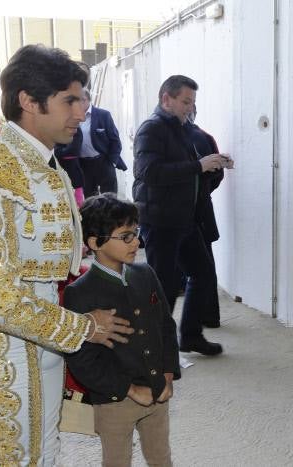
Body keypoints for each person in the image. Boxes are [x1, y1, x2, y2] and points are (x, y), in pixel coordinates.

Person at [0, 44, 133, 466]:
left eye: (84, 100)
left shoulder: (47, 166)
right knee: (25, 459)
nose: (81, 113)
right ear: (28, 101)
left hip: (46, 339)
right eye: (70, 100)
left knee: (44, 453)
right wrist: (83, 329)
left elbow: (56, 261)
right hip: (5, 347)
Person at [64, 193, 180, 467]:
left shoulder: (146, 274)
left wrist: (167, 375)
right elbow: (82, 360)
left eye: (136, 233)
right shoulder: (78, 294)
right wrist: (128, 389)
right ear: (95, 242)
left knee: (162, 458)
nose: (137, 242)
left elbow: (165, 326)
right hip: (115, 399)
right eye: (126, 236)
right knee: (117, 461)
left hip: (156, 390)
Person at [133, 74, 230, 356]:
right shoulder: (151, 129)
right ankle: (157, 345)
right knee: (164, 285)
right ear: (167, 99)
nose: (190, 107)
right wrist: (198, 166)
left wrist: (214, 164)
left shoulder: (182, 128)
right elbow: (148, 172)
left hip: (185, 220)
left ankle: (190, 336)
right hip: (161, 221)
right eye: (186, 101)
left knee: (202, 274)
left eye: (192, 102)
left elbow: (189, 167)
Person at [184, 105, 231, 328]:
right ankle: (209, 316)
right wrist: (203, 193)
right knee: (205, 265)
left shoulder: (179, 137)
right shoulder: (204, 136)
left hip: (186, 214)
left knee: (195, 268)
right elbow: (217, 174)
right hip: (202, 210)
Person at [75, 88, 126, 197]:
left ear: (88, 100)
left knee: (110, 198)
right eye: (77, 100)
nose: (80, 103)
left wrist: (111, 162)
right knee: (90, 199)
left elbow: (115, 141)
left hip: (103, 161)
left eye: (82, 100)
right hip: (84, 164)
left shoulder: (103, 115)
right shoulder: (73, 117)